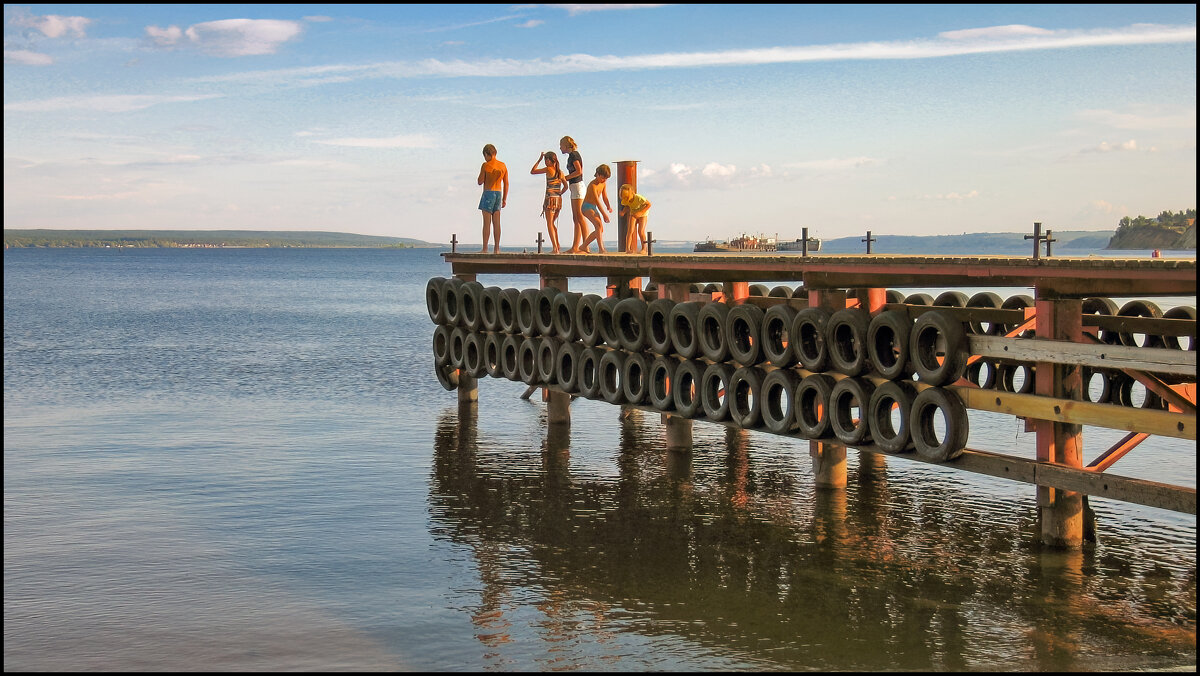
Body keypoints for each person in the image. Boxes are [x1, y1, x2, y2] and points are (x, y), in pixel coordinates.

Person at [530, 151, 566, 254]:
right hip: (558, 200)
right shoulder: (561, 172)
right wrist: (559, 193)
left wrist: (539, 159)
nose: (545, 162)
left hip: (550, 199)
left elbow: (533, 171)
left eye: (546, 160)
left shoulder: (549, 169)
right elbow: (566, 186)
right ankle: (557, 245)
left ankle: (555, 248)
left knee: (549, 223)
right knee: (552, 223)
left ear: (549, 160)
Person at [477, 143, 508, 253]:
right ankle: (497, 248)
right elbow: (507, 183)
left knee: (486, 223)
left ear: (486, 154)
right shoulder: (503, 165)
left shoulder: (486, 165)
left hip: (488, 193)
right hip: (499, 193)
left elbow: (480, 181)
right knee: (497, 223)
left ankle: (485, 248)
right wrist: (504, 199)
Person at [559, 136, 586, 253]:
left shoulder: (574, 155)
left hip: (578, 186)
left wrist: (565, 178)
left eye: (561, 145)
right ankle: (576, 246)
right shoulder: (571, 156)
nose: (560, 148)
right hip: (573, 187)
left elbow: (579, 171)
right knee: (576, 218)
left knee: (580, 217)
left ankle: (585, 245)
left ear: (565, 145)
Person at [579, 164, 612, 253]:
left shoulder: (603, 184)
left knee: (600, 229)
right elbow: (597, 201)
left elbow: (604, 197)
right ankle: (601, 249)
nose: (604, 180)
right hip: (586, 206)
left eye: (606, 178)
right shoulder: (592, 185)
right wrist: (604, 215)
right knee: (598, 225)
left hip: (593, 207)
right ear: (597, 174)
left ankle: (583, 246)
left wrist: (608, 206)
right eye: (602, 177)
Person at [618, 183, 651, 254]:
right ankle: (627, 249)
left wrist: (641, 212)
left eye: (627, 197)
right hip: (633, 213)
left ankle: (644, 249)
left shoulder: (639, 198)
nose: (626, 199)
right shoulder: (625, 201)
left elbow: (648, 204)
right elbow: (627, 206)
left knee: (640, 231)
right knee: (630, 231)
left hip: (643, 214)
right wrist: (623, 212)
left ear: (632, 193)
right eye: (624, 198)